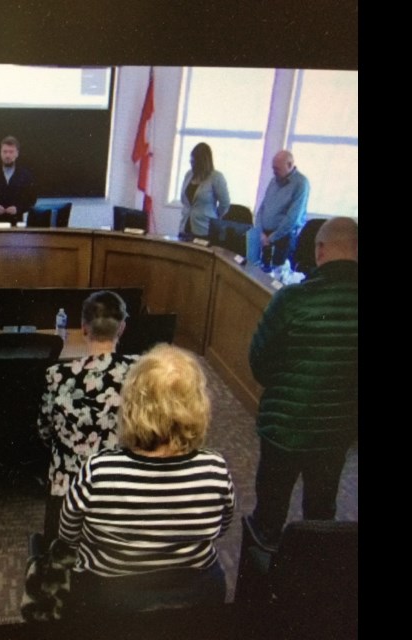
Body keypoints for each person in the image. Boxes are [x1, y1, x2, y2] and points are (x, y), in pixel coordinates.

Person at [59, 344, 235, 613]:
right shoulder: (215, 469)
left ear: (132, 405)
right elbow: (222, 528)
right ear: (198, 406)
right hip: (195, 594)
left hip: (111, 596)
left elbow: (68, 534)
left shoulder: (99, 471)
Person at [247, 217, 357, 551]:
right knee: (321, 516)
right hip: (337, 433)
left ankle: (259, 590)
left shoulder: (292, 299)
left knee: (268, 514)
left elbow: (259, 362)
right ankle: (308, 592)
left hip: (284, 428)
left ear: (320, 250)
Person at [36, 291, 137, 540]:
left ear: (83, 328)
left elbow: (44, 431)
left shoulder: (57, 375)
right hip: (120, 490)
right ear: (122, 328)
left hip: (67, 491)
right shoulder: (139, 373)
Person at [247, 150, 310, 270]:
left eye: (277, 169)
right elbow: (262, 208)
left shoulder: (301, 183)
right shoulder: (273, 181)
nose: (274, 172)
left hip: (282, 240)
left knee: (274, 279)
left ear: (290, 165)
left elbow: (292, 218)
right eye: (273, 168)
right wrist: (260, 232)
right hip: (264, 237)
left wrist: (271, 238)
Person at [0, 136, 37, 224]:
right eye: (5, 152)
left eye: (11, 152)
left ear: (17, 154)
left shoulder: (26, 176)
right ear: (0, 153)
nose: (7, 155)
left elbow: (32, 200)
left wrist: (19, 209)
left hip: (16, 222)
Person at [179, 142, 230, 238]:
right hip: (185, 226)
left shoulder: (216, 177)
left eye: (194, 160)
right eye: (191, 159)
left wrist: (213, 217)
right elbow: (184, 199)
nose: (191, 162)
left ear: (202, 161)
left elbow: (225, 204)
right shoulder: (189, 175)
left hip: (204, 228)